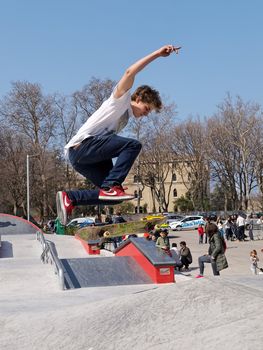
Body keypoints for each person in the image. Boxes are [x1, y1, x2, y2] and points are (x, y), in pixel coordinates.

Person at [56, 44, 181, 225]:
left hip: (84, 159)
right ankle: (111, 185)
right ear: (138, 98)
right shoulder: (119, 100)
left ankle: (71, 198)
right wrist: (157, 54)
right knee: (133, 145)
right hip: (81, 148)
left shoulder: (125, 117)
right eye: (146, 109)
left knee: (113, 196)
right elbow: (130, 72)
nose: (146, 114)